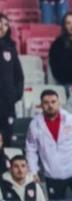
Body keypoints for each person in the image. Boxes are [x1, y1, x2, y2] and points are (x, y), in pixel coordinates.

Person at [26, 90, 72, 200]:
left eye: (53, 102)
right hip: (52, 174)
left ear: (59, 103)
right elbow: (31, 149)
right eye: (46, 102)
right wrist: (33, 171)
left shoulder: (71, 120)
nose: (50, 105)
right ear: (41, 105)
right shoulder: (35, 125)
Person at [0, 13, 24, 147]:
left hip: (7, 105)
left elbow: (19, 76)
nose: (2, 27)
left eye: (5, 24)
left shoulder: (10, 47)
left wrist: (15, 94)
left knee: (7, 141)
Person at [49, 13, 72, 86]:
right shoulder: (57, 44)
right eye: (68, 23)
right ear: (64, 26)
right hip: (68, 82)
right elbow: (56, 68)